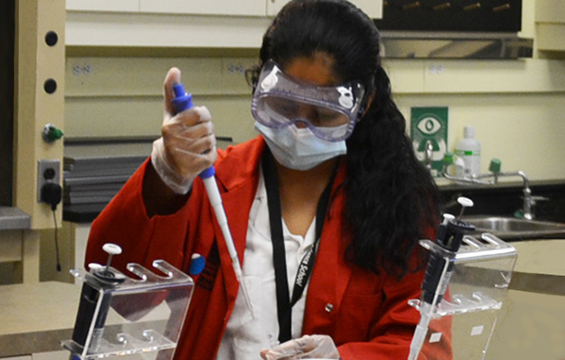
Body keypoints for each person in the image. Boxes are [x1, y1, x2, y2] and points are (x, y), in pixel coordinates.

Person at [85, 0, 451, 359]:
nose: (299, 128)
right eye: (284, 106)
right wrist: (167, 177)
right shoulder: (214, 182)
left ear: (364, 104)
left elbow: (425, 347)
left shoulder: (400, 208)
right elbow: (127, 300)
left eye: (323, 114)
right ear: (260, 82)